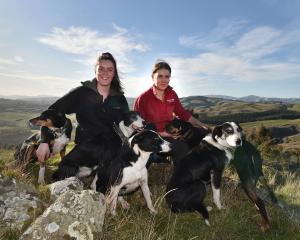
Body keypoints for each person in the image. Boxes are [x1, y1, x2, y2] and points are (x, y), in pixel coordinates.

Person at [36, 52, 129, 163]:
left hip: (111, 149)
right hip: (85, 148)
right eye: (101, 69)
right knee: (64, 171)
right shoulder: (81, 93)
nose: (105, 73)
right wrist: (45, 141)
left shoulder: (119, 98)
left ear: (114, 73)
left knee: (109, 176)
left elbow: (128, 121)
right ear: (95, 71)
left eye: (110, 69)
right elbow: (52, 111)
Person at [134, 60, 209, 162]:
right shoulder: (143, 98)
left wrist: (201, 124)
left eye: (167, 76)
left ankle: (202, 170)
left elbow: (182, 113)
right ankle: (180, 176)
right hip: (155, 137)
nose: (164, 80)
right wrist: (164, 134)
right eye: (160, 76)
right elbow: (139, 128)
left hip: (172, 131)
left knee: (204, 134)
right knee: (181, 148)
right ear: (153, 77)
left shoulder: (172, 94)